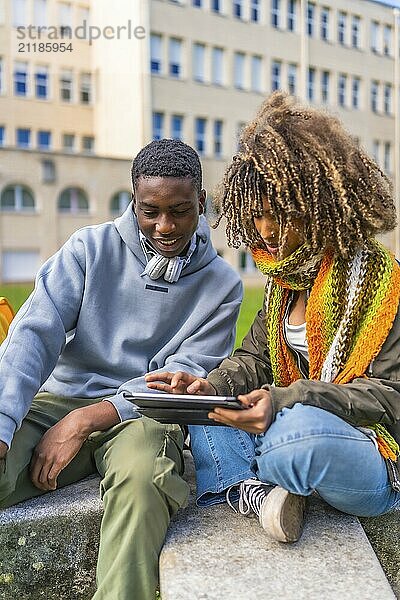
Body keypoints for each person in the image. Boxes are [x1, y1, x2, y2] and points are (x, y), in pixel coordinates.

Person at [146, 92, 400, 544]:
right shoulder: (284, 284)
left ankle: (244, 478)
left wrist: (287, 400)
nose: (266, 231)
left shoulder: (385, 284)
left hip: (368, 450)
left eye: (282, 214)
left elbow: (392, 397)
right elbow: (255, 359)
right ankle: (262, 493)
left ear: (320, 207)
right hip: (292, 421)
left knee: (295, 434)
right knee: (210, 410)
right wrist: (210, 389)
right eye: (259, 215)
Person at [0, 138, 243, 599]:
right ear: (134, 201)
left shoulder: (222, 286)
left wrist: (85, 421)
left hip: (146, 417)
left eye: (180, 210)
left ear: (202, 204)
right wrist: (3, 422)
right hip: (60, 400)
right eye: (151, 211)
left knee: (144, 484)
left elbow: (181, 378)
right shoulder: (89, 249)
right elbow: (33, 334)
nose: (165, 226)